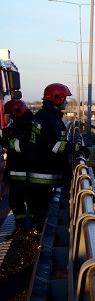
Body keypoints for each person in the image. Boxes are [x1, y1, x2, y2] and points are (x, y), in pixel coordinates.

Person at [27, 83, 87, 234]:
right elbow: (55, 147)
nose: (66, 102)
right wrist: (78, 148)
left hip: (37, 170)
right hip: (45, 173)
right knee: (44, 212)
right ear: (56, 98)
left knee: (38, 210)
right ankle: (40, 239)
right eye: (65, 99)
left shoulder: (42, 116)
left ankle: (38, 232)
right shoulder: (51, 120)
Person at [0, 99, 34, 238]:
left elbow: (20, 146)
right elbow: (9, 132)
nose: (10, 118)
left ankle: (28, 227)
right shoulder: (22, 122)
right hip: (20, 170)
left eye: (11, 115)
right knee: (16, 200)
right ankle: (24, 226)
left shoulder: (26, 125)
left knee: (21, 199)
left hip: (22, 169)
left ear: (17, 112)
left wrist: (3, 141)